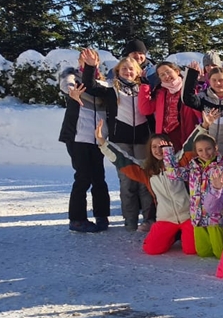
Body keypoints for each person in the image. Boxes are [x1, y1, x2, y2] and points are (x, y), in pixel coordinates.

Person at [81, 49, 152, 232]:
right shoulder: (111, 89)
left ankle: (149, 219)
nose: (128, 72)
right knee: (127, 182)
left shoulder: (145, 88)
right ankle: (130, 221)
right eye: (124, 69)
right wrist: (90, 67)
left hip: (143, 140)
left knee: (145, 182)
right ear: (118, 71)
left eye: (131, 69)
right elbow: (90, 86)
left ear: (138, 72)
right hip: (120, 140)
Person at [97, 126, 194, 255]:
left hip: (188, 216)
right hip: (166, 218)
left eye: (161, 146)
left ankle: (182, 234)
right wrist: (103, 143)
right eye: (154, 147)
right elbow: (123, 160)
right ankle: (173, 235)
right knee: (151, 249)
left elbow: (189, 146)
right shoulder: (146, 170)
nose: (158, 150)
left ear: (169, 146)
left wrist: (204, 126)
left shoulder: (178, 162)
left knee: (191, 249)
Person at [162, 119, 223, 258]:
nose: (205, 153)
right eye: (200, 150)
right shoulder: (193, 167)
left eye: (208, 149)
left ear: (215, 148)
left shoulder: (221, 167)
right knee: (203, 252)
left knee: (221, 253)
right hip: (197, 215)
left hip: (215, 216)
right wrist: (167, 152)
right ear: (196, 151)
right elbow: (172, 174)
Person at [59, 50, 110, 232]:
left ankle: (102, 215)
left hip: (97, 137)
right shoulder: (72, 76)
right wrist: (72, 92)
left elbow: (105, 96)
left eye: (93, 59)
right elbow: (67, 85)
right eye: (84, 59)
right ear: (79, 61)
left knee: (99, 178)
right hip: (77, 136)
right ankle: (77, 219)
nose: (88, 61)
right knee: (83, 177)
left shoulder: (104, 82)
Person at [138, 61, 200, 152]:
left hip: (185, 134)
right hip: (165, 137)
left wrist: (191, 82)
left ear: (177, 71)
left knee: (184, 160)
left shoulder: (189, 90)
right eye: (162, 75)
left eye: (168, 72)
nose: (166, 76)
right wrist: (144, 85)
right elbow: (145, 110)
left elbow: (199, 112)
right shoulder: (160, 92)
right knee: (168, 160)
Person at [181, 63, 223, 151]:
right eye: (214, 80)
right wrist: (192, 75)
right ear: (209, 81)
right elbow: (187, 99)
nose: (217, 83)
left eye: (221, 80)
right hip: (209, 151)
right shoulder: (204, 97)